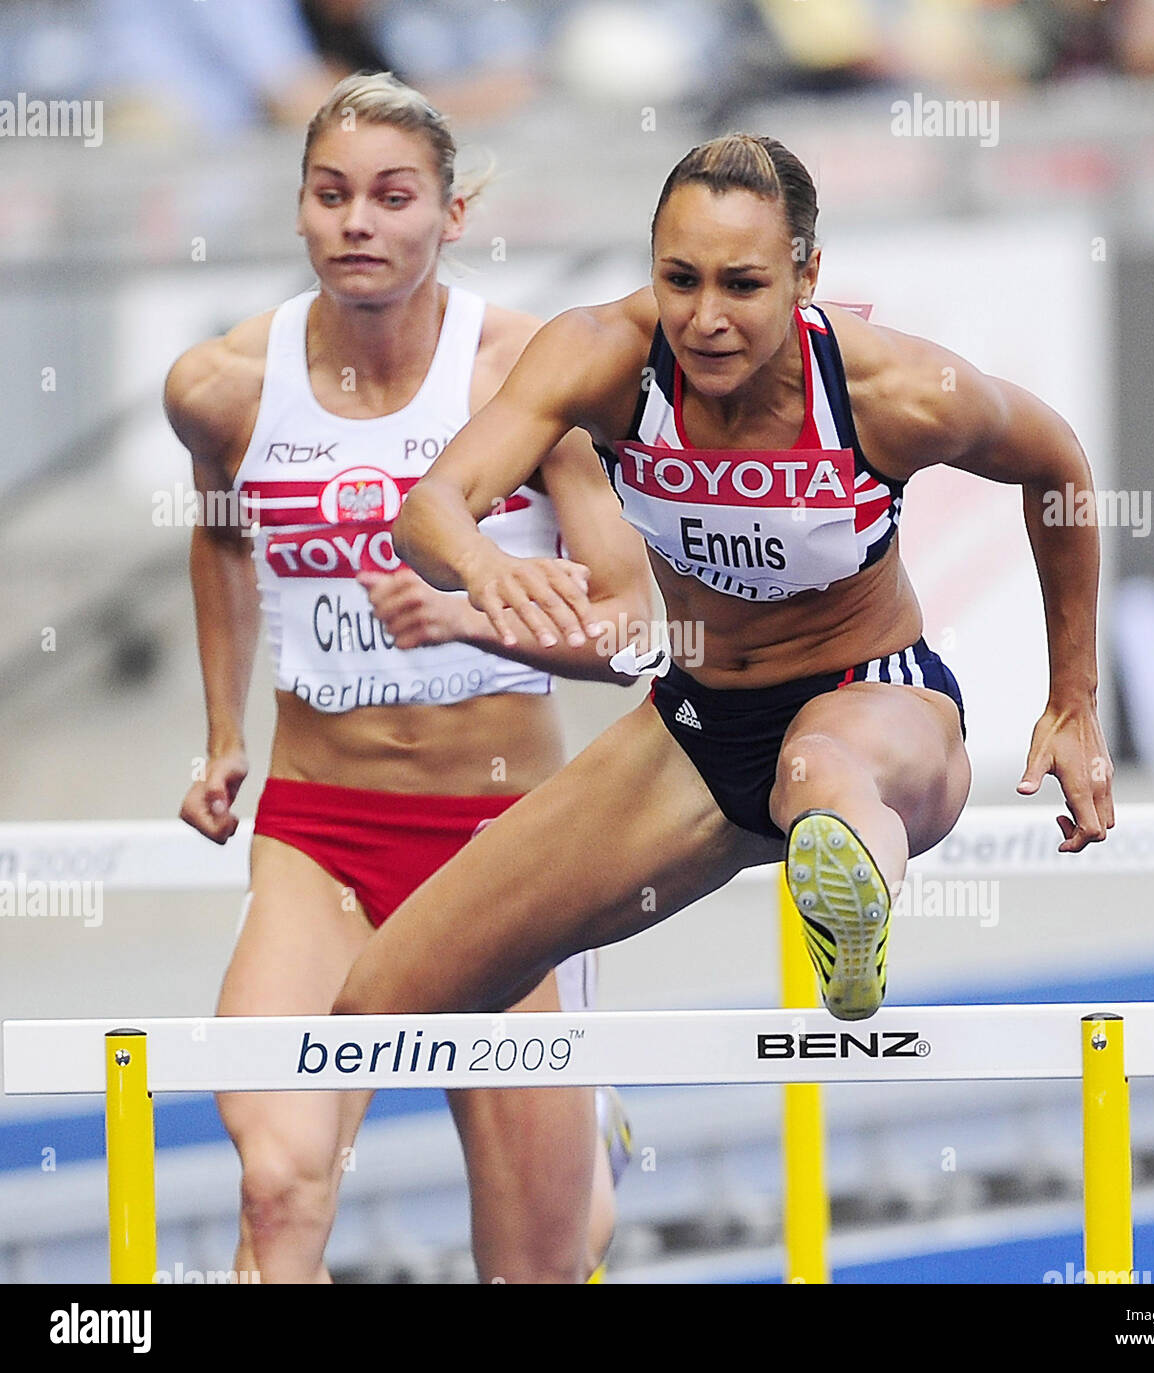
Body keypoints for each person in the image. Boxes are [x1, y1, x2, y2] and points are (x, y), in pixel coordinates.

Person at [334, 131, 1113, 1044]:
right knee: (377, 1004)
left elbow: (1054, 461)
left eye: (742, 285)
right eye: (680, 279)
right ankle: (590, 1122)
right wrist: (482, 562)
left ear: (805, 275)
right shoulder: (601, 356)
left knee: (818, 777)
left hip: (873, 701)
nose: (705, 318)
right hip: (696, 726)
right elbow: (427, 510)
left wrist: (1073, 697)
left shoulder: (895, 391)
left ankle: (852, 908)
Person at [164, 72, 651, 1284]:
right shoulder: (221, 385)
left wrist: (475, 615)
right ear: (299, 209)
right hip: (316, 833)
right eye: (332, 195)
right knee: (277, 1187)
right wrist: (223, 731)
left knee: (536, 1258)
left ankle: (587, 1150)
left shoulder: (523, 378)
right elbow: (223, 530)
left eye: (392, 196)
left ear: (452, 213)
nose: (359, 223)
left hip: (505, 846)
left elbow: (638, 632)